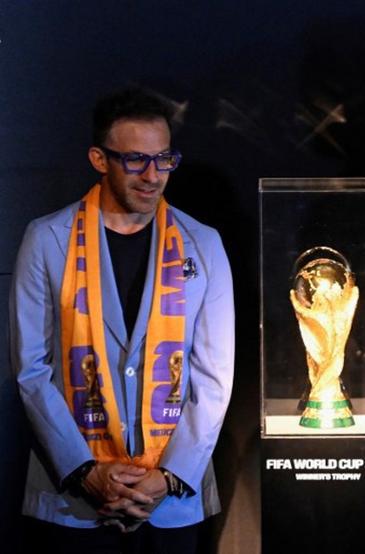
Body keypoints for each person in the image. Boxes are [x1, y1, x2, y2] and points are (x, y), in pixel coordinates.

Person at [10, 87, 235, 553]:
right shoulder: (46, 238)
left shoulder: (204, 244)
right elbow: (31, 370)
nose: (153, 176)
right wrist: (86, 473)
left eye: (164, 159)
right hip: (73, 500)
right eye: (135, 160)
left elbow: (214, 377)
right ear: (99, 158)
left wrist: (166, 478)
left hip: (170, 502)